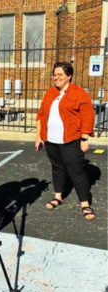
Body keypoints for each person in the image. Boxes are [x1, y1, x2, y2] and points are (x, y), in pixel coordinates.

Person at [35, 62, 96, 221]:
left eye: (60, 75)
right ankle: (58, 196)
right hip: (51, 140)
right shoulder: (50, 93)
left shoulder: (79, 93)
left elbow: (87, 116)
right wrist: (38, 136)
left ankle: (85, 204)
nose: (56, 78)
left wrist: (84, 138)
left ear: (69, 76)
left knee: (77, 171)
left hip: (71, 139)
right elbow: (41, 115)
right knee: (57, 168)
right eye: (54, 75)